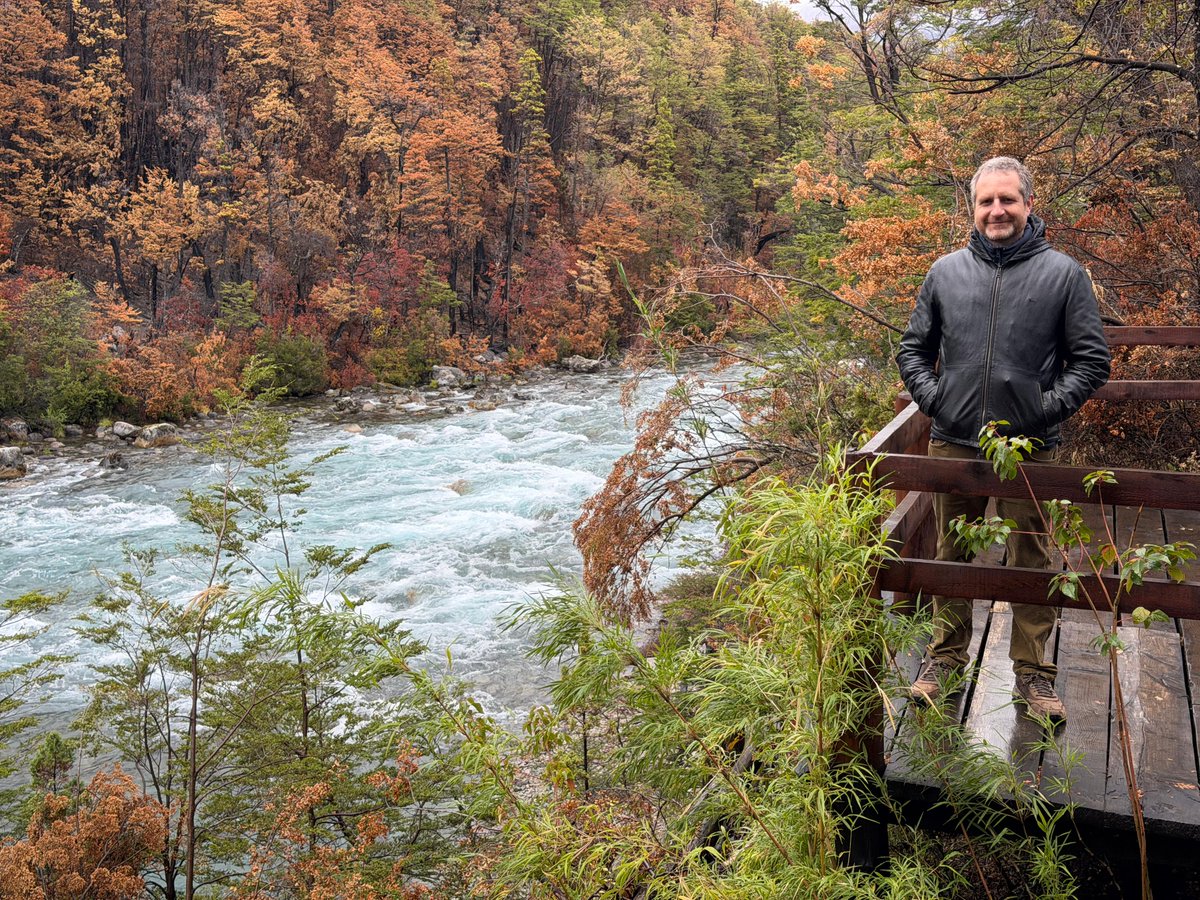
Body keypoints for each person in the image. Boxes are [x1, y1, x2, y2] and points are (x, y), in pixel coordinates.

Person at [895, 156, 1111, 722]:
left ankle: (1034, 678)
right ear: (973, 209)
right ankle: (944, 662)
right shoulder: (945, 272)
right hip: (953, 443)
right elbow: (913, 351)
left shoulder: (1063, 275)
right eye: (986, 201)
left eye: (1007, 200)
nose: (997, 210)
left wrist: (1042, 411)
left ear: (1028, 205)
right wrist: (938, 400)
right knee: (951, 554)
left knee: (1031, 559)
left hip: (1030, 449)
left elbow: (1091, 361)